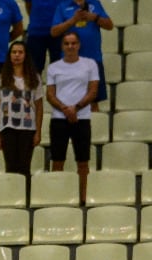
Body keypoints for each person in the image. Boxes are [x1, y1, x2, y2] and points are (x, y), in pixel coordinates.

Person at [45, 30, 99, 203]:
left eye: (73, 43)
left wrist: (75, 108)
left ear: (78, 45)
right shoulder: (54, 67)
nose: (70, 46)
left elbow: (93, 91)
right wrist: (65, 109)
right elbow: (50, 94)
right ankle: (57, 197)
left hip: (82, 118)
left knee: (83, 162)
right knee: (57, 160)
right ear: (62, 46)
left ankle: (83, 197)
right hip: (59, 119)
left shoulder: (90, 64)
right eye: (67, 43)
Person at [0, 39, 44, 178]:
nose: (17, 55)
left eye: (20, 52)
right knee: (11, 167)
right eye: (14, 52)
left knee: (24, 167)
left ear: (26, 55)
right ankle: (12, 197)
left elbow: (39, 107)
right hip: (7, 127)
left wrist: (38, 132)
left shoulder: (35, 78)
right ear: (9, 55)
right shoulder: (0, 79)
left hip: (28, 128)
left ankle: (25, 198)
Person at [50, 0, 113, 104]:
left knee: (93, 102)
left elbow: (110, 26)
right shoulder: (62, 5)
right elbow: (54, 32)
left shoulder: (95, 3)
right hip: (69, 62)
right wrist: (73, 20)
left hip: (93, 59)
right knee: (69, 101)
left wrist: (95, 18)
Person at [24, 0, 61, 68]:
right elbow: (28, 5)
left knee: (58, 66)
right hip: (36, 33)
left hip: (57, 32)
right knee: (34, 68)